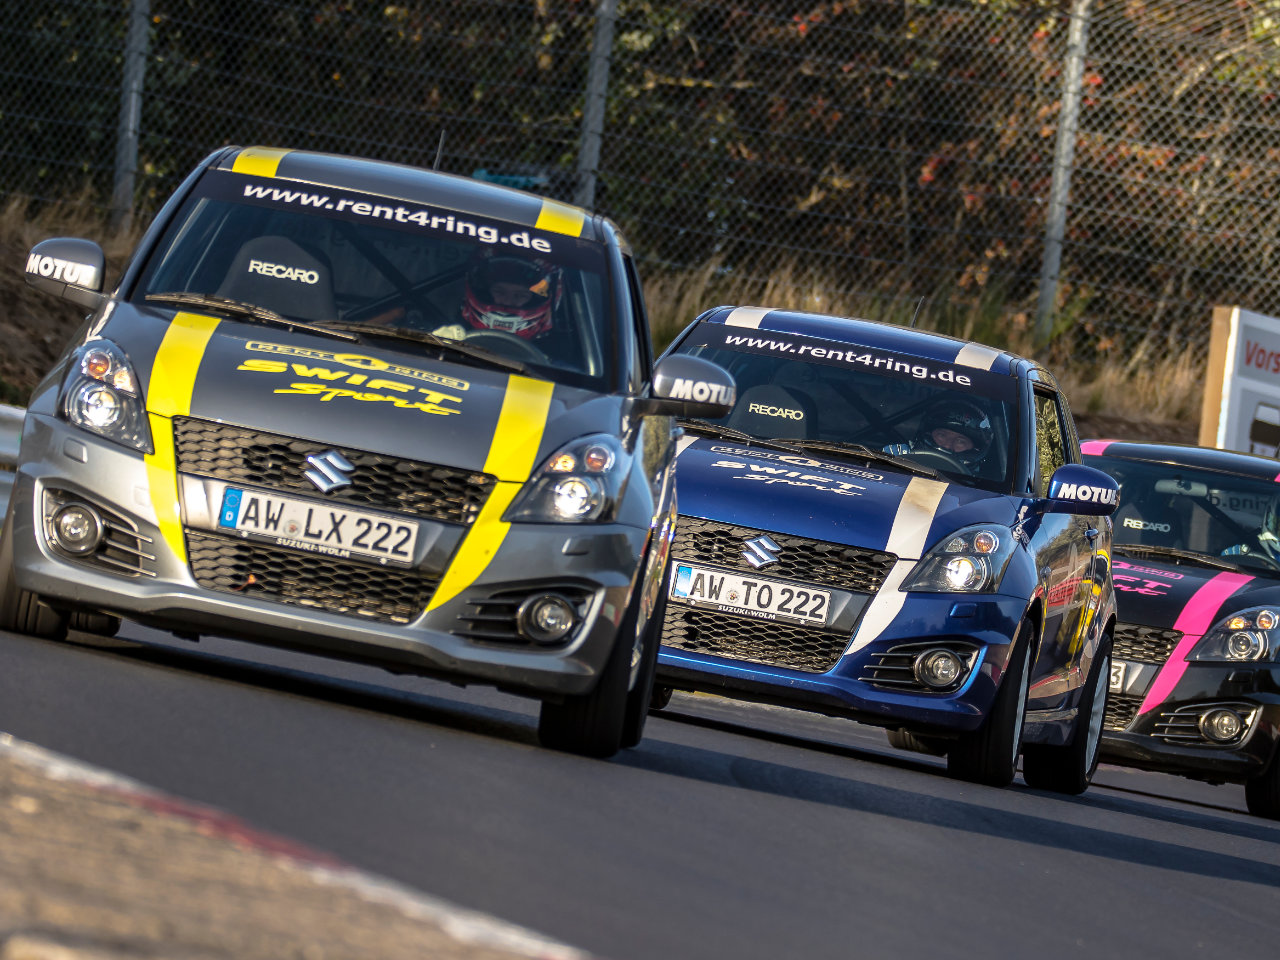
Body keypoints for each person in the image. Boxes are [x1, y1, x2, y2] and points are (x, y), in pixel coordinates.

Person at [890, 398, 994, 472]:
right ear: (927, 434)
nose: (947, 445)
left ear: (975, 448)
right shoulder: (897, 455)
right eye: (942, 435)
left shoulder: (986, 485)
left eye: (960, 441)